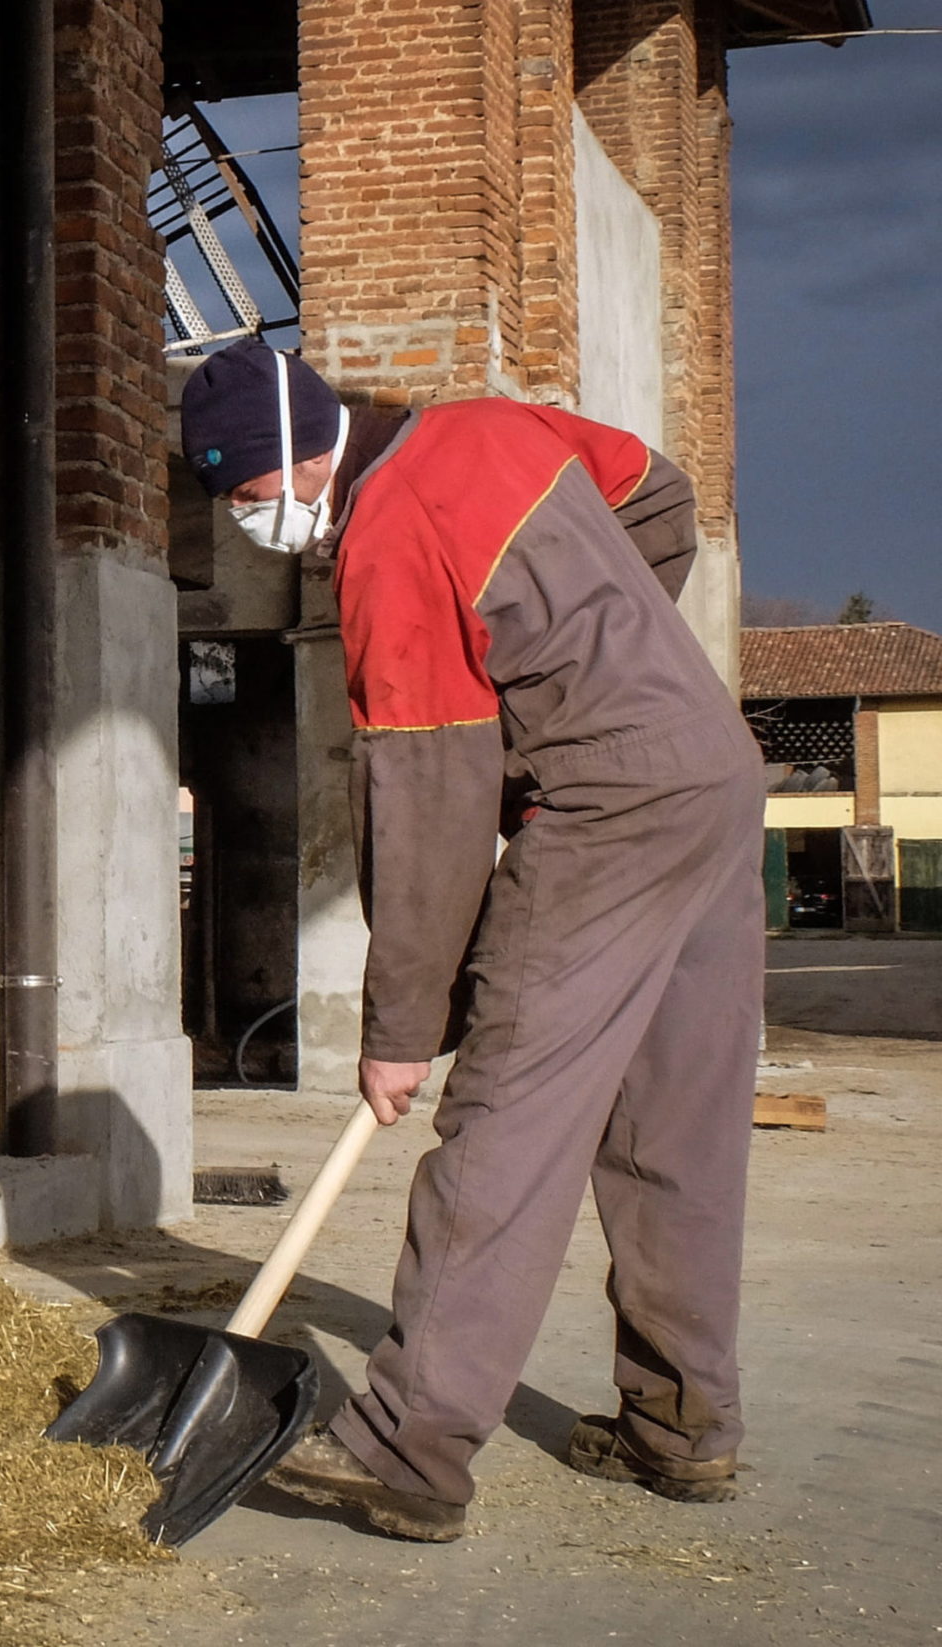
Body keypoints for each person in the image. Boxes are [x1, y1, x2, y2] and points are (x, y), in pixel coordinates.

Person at [178, 338, 764, 1542]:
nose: (246, 522)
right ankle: (680, 1426)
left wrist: (401, 1028)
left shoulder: (387, 542)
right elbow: (659, 497)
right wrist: (604, 655)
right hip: (710, 774)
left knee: (506, 1121)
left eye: (245, 496)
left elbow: (428, 809)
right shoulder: (491, 426)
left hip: (602, 811)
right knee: (673, 1128)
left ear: (301, 457)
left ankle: (408, 1447)